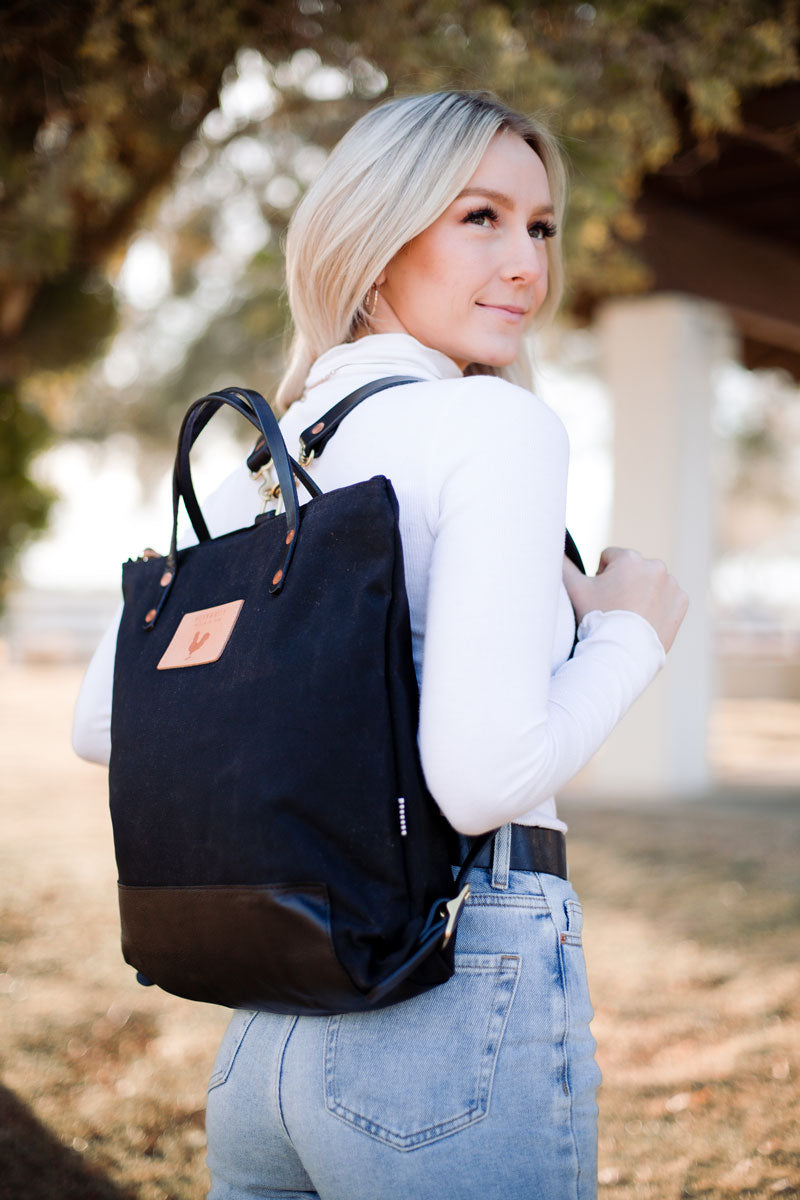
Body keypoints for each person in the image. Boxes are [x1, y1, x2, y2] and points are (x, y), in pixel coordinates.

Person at [73, 90, 688, 1200]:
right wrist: (631, 634)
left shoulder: (265, 462)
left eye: (539, 226)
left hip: (265, 1037)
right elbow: (481, 780)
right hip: (448, 994)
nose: (524, 266)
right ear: (370, 236)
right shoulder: (491, 427)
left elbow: (103, 722)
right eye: (478, 218)